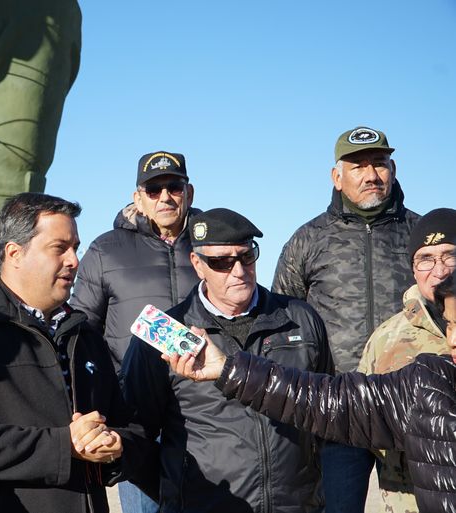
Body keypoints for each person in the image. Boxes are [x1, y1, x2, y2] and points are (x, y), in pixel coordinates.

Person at [0, 192, 154, 513]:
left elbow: (130, 426)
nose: (74, 260)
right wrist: (64, 445)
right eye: (60, 248)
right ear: (15, 253)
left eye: (75, 248)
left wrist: (115, 446)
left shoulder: (85, 335)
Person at [166, 275, 456, 513]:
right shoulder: (433, 383)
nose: (451, 340)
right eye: (450, 325)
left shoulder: (302, 318)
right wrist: (229, 370)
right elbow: (325, 400)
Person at [121, 208, 333, 512]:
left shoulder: (300, 319)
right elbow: (137, 434)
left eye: (247, 257)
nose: (238, 271)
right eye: (221, 262)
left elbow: (327, 410)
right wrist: (179, 495)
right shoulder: (167, 334)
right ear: (197, 264)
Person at [272, 125, 420, 512]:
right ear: (337, 177)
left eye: (380, 163)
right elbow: (280, 322)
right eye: (358, 166)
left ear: (393, 168)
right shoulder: (307, 240)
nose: (371, 175)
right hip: (338, 409)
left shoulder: (421, 236)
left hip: (411, 406)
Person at [71, 150, 200, 513]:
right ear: (137, 197)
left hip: (205, 411)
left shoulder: (213, 246)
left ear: (188, 192)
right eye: (154, 188)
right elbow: (83, 332)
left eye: (174, 186)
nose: (165, 197)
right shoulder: (105, 250)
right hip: (137, 417)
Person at [357, 208, 456, 511]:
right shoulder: (385, 340)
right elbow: (359, 426)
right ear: (412, 268)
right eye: (425, 258)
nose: (439, 270)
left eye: (449, 255)